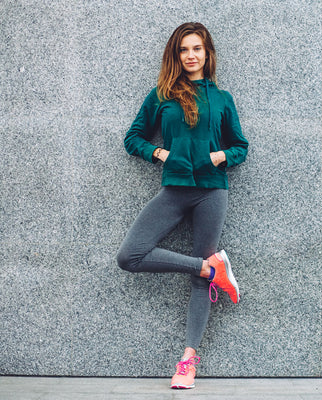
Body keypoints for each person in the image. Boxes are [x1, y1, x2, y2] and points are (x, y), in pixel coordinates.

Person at [116, 22, 248, 390]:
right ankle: (212, 268)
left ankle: (188, 361)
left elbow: (242, 146)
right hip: (174, 190)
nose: (191, 56)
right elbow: (133, 137)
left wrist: (222, 155)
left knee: (196, 282)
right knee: (130, 255)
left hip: (212, 192)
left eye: (197, 49)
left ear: (207, 54)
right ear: (176, 55)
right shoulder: (161, 95)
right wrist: (159, 153)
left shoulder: (222, 99)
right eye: (184, 50)